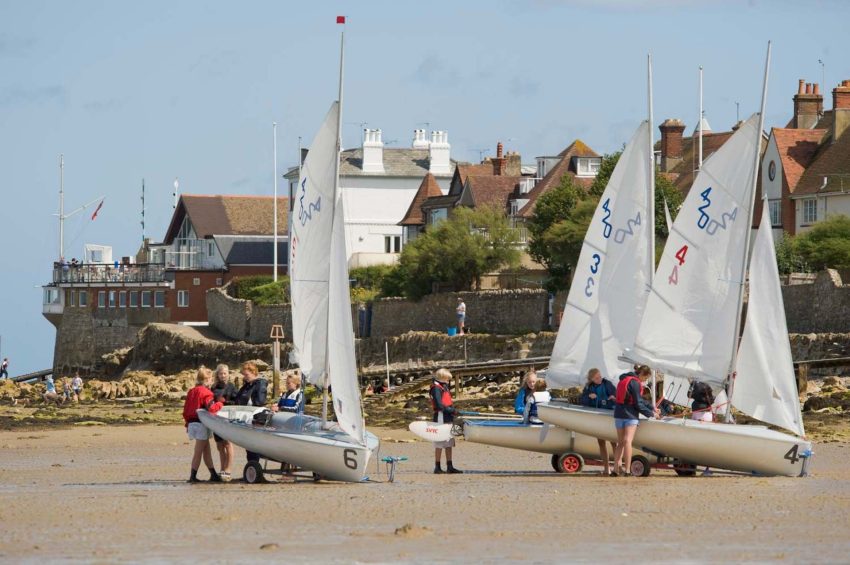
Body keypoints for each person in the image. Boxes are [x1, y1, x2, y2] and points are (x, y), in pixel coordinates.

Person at [612, 365, 658, 477]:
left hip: (618, 414)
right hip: (630, 415)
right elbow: (638, 403)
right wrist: (652, 414)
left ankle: (615, 470)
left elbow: (639, 399)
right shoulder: (636, 383)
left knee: (620, 442)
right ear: (642, 374)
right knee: (628, 441)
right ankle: (627, 470)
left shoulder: (624, 379)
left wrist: (652, 407)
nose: (645, 381)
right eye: (646, 378)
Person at [182, 367, 223, 483]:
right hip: (201, 424)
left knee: (206, 450)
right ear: (208, 379)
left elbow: (186, 410)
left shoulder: (192, 391)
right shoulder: (206, 392)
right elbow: (211, 408)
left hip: (191, 423)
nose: (212, 382)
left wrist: (187, 424)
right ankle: (192, 477)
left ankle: (213, 474)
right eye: (211, 379)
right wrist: (220, 403)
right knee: (198, 451)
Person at [580, 368, 617, 475]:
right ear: (591, 379)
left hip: (608, 415)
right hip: (597, 417)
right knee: (601, 442)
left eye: (600, 376)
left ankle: (617, 467)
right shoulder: (588, 387)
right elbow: (583, 401)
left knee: (614, 442)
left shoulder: (607, 384)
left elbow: (615, 395)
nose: (599, 379)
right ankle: (606, 468)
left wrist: (613, 397)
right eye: (596, 378)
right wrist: (589, 396)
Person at [234, 361, 268, 465]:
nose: (245, 377)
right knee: (249, 446)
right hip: (246, 417)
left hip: (256, 418)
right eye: (244, 375)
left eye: (247, 374)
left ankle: (253, 466)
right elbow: (238, 400)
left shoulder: (260, 383)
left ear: (253, 372)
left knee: (253, 445)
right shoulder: (247, 385)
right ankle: (251, 466)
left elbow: (260, 401)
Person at [430, 368, 462, 474]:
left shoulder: (444, 386)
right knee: (439, 443)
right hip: (440, 418)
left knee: (449, 442)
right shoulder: (436, 388)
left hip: (448, 417)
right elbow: (439, 405)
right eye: (447, 379)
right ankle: (437, 467)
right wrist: (451, 410)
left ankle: (450, 466)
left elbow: (447, 402)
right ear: (442, 378)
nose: (448, 381)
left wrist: (452, 411)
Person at [210, 364, 237, 482]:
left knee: (228, 443)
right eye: (221, 373)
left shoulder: (231, 387)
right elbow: (210, 400)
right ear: (218, 374)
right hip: (216, 418)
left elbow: (237, 401)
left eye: (225, 373)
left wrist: (226, 401)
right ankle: (222, 469)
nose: (223, 375)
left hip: (227, 417)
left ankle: (228, 469)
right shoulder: (214, 387)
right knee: (220, 445)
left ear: (228, 374)